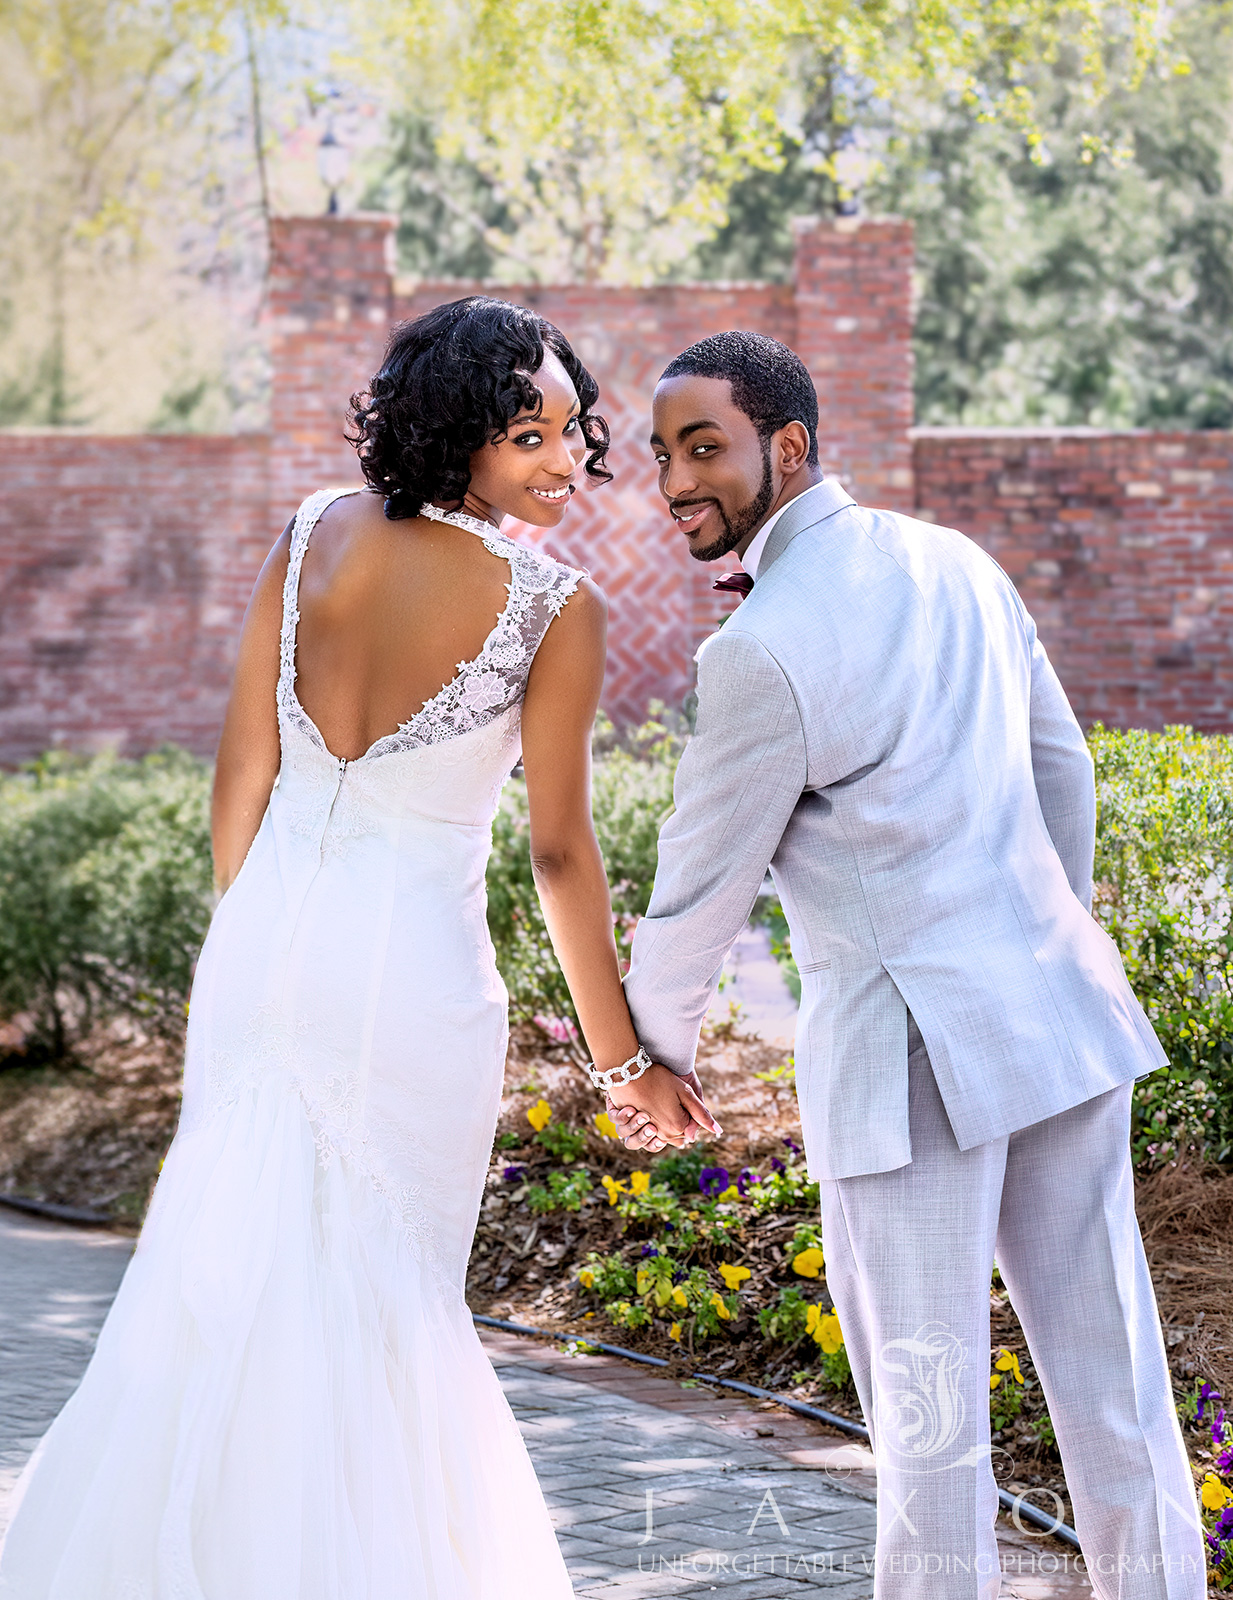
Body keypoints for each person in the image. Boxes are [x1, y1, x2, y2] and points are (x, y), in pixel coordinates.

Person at [0, 297, 715, 1600]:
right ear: (458, 436)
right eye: (527, 435)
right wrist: (622, 1069)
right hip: (409, 987)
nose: (565, 461)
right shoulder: (555, 606)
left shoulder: (312, 529)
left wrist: (256, 943)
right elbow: (560, 855)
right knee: (380, 1299)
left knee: (233, 1263)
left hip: (263, 948)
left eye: (573, 431)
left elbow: (242, 771)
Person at [609, 331, 1205, 1599]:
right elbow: (1065, 771)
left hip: (910, 1063)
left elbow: (698, 886)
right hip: (1058, 1014)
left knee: (932, 1431)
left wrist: (639, 1057)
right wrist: (1039, 935)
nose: (674, 483)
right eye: (663, 455)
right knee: (1118, 1393)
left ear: (791, 445)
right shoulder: (958, 561)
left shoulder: (758, 648)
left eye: (702, 447)